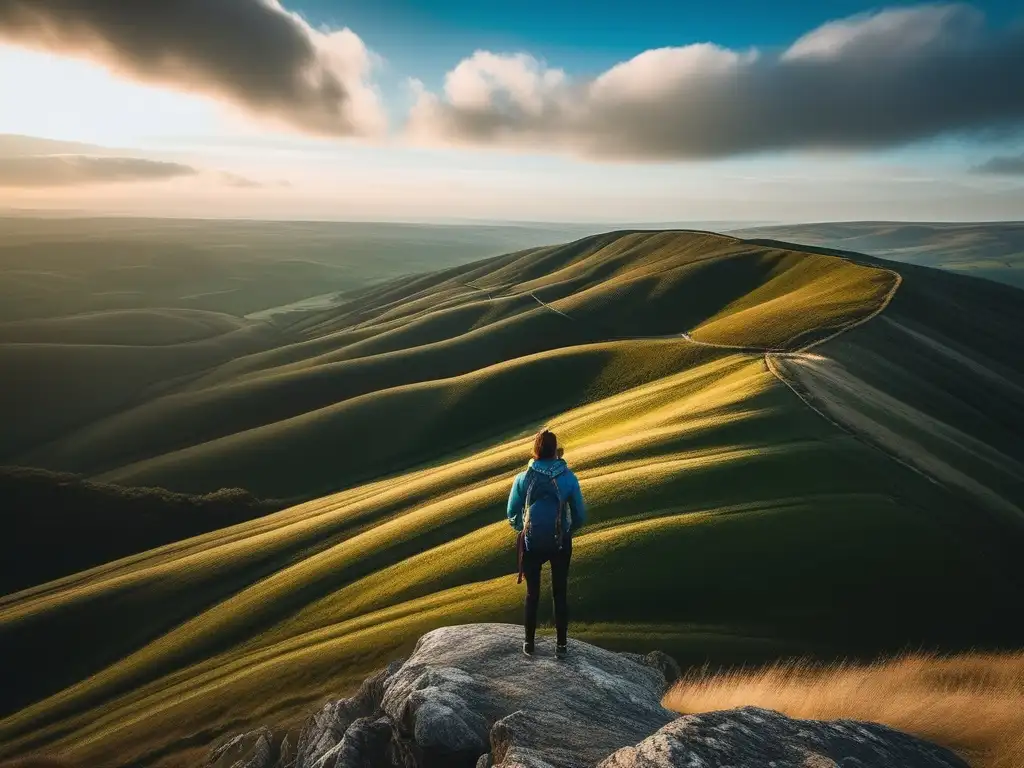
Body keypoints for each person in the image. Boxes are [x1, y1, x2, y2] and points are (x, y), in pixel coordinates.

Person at [506, 429, 586, 658]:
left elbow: (512, 512)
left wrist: (524, 529)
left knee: (532, 594)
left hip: (532, 544)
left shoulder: (523, 478)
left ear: (535, 450)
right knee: (560, 593)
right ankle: (561, 647)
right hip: (560, 542)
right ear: (555, 450)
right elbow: (580, 513)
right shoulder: (568, 478)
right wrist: (567, 530)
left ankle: (529, 645)